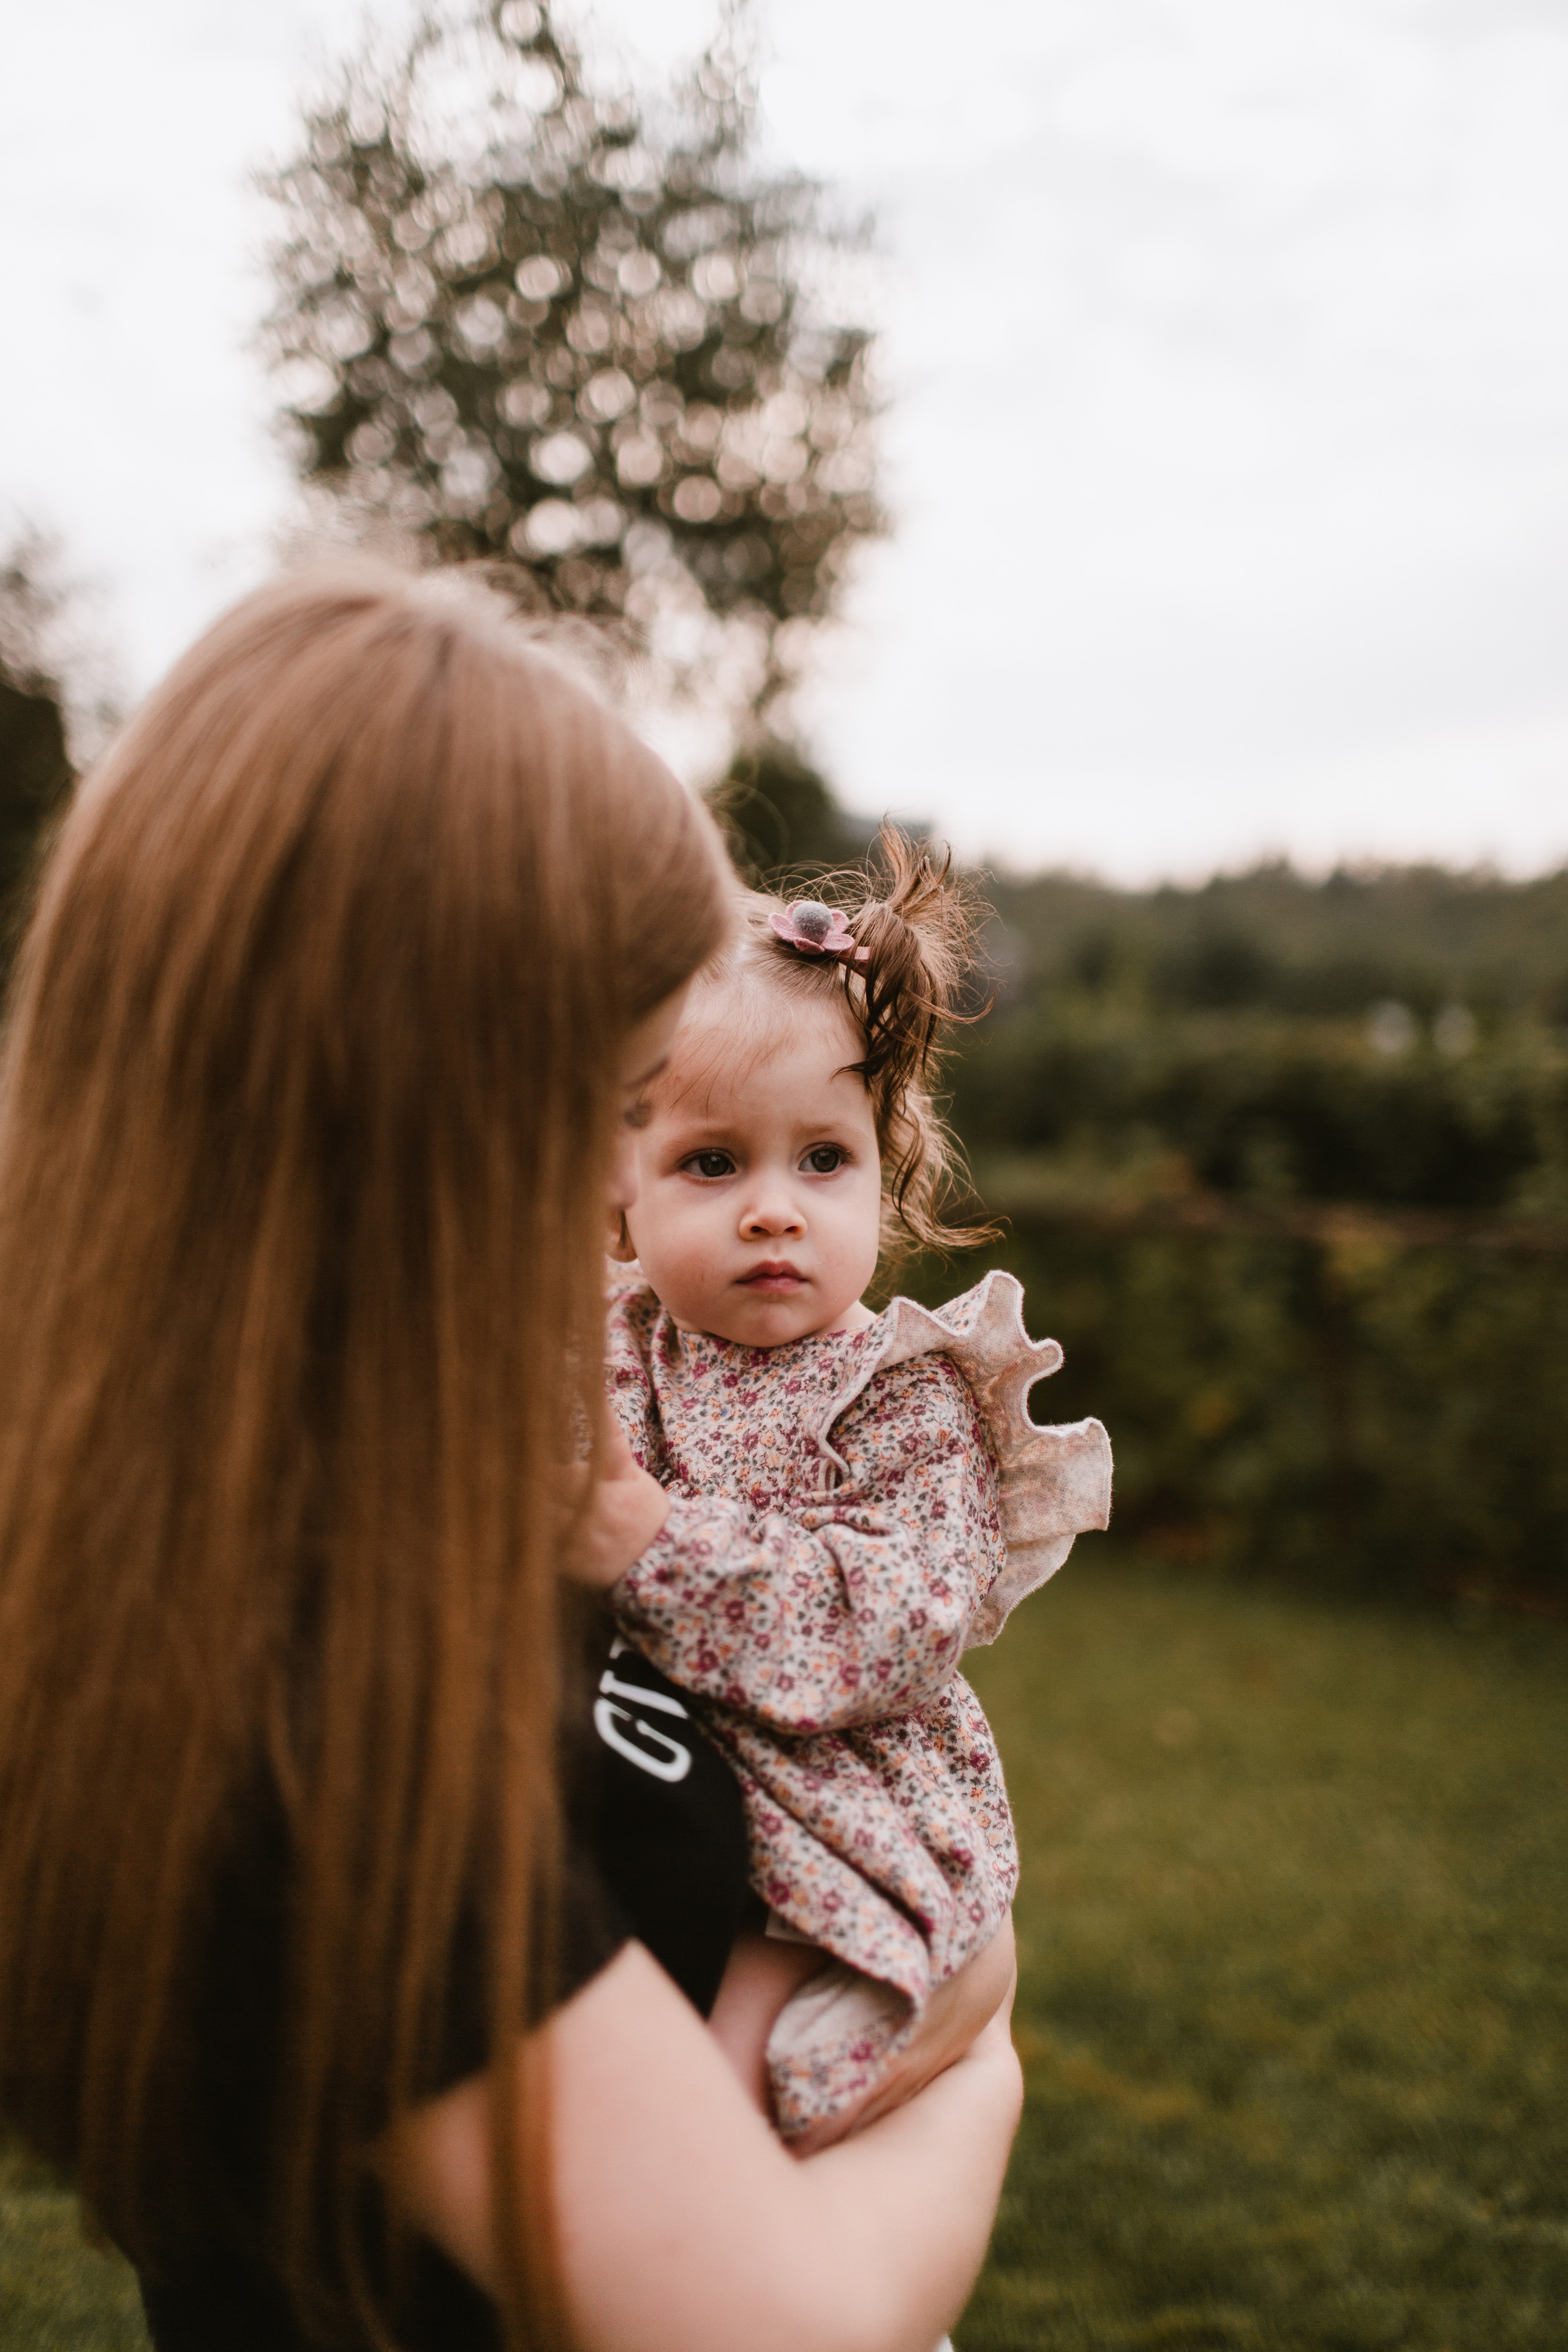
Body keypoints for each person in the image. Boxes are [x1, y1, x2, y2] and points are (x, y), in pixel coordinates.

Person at [0, 564, 1022, 2352]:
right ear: (421, 1121)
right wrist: (984, 2037)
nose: (625, 1211)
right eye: (629, 1113)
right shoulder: (296, 1707)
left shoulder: (387, 1507)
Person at [591, 845, 1112, 2148]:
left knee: (723, 2105)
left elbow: (907, 1610)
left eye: (819, 1160)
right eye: (712, 1164)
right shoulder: (611, 1352)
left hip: (838, 1815)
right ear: (621, 1191)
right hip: (646, 1772)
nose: (773, 1211)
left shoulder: (902, 1391)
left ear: (885, 1170)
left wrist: (652, 1545)